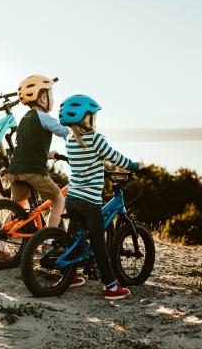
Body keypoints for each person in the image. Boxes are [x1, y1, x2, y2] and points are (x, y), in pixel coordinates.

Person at [59, 94, 144, 300]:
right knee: (99, 245)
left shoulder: (70, 140)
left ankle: (69, 276)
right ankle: (111, 287)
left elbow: (86, 164)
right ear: (86, 118)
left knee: (75, 238)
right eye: (92, 116)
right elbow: (115, 157)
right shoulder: (95, 139)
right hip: (89, 201)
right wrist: (135, 166)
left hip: (73, 198)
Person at [0, 76, 71, 261]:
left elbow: (29, 146)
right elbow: (65, 131)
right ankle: (49, 242)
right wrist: (77, 143)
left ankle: (1, 246)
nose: (52, 98)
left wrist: (46, 153)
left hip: (16, 170)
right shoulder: (44, 117)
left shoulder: (25, 118)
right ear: (43, 98)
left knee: (16, 208)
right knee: (58, 199)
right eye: (50, 94)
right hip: (34, 171)